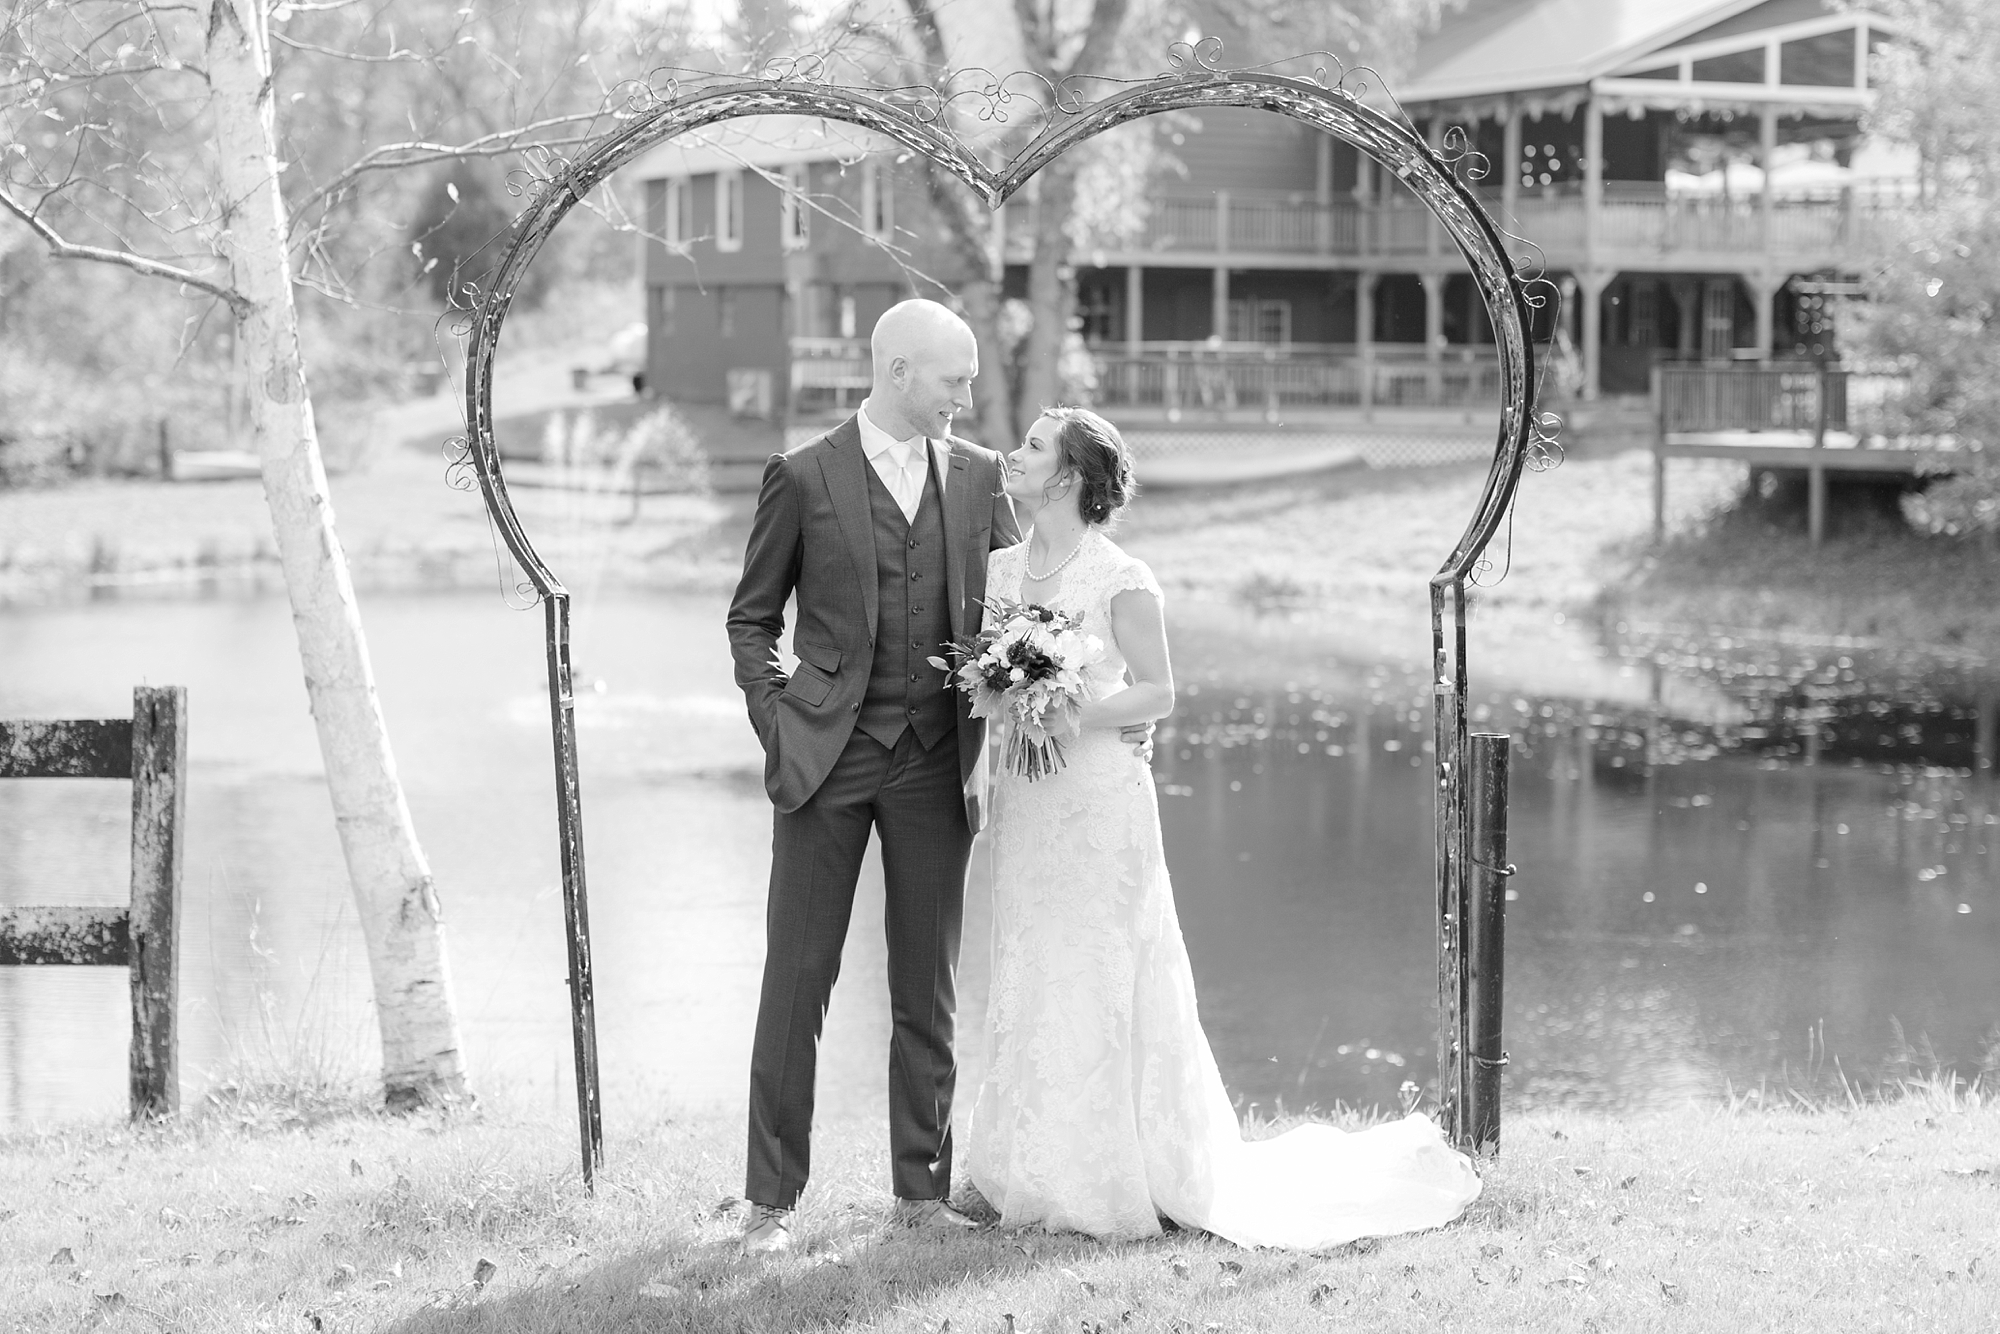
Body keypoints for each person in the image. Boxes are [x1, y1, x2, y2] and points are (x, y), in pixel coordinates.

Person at [960, 406, 1483, 1248]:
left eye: (1031, 447)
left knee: (1100, 965)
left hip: (1096, 799)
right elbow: (989, 681)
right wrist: (1010, 700)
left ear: (1066, 478)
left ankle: (1105, 1171)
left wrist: (1071, 709)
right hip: (1029, 800)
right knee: (1027, 959)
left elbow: (1158, 692)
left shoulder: (1122, 577)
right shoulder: (997, 569)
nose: (1012, 456)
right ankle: (1015, 1160)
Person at [725, 299, 1022, 1255]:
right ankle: (770, 1201)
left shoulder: (979, 480)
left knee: (925, 987)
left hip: (940, 765)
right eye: (954, 380)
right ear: (897, 372)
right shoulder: (803, 475)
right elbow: (751, 620)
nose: (968, 398)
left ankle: (921, 1194)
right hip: (826, 761)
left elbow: (1021, 612)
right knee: (799, 981)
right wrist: (781, 721)